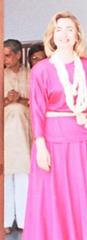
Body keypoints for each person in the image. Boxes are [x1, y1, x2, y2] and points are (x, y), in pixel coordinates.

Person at [22, 11, 87, 240]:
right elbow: (36, 112)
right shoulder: (41, 69)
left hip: (85, 142)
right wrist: (41, 146)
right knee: (55, 199)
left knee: (85, 197)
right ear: (52, 36)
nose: (64, 34)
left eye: (69, 29)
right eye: (59, 29)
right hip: (53, 144)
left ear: (77, 36)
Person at [3, 39, 31, 234]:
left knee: (23, 175)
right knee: (6, 176)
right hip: (5, 133)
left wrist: (20, 99)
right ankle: (5, 221)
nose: (4, 60)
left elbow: (41, 101)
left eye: (7, 55)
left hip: (25, 132)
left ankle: (24, 220)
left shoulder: (31, 75)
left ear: (17, 54)